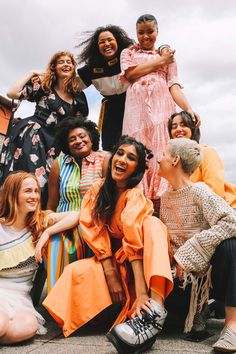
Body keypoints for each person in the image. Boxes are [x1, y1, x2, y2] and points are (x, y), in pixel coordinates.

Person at [40, 136, 173, 353]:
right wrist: (110, 272)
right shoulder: (97, 189)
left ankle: (153, 311)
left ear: (137, 169)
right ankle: (113, 316)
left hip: (138, 266)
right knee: (76, 271)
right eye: (120, 153)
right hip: (110, 261)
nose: (122, 159)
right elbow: (92, 229)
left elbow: (134, 243)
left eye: (130, 158)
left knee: (153, 223)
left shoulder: (134, 196)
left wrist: (140, 292)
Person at [158, 138, 236, 352]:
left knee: (231, 245)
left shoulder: (200, 191)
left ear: (175, 160)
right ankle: (200, 309)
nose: (159, 159)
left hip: (209, 276)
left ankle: (232, 327)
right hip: (182, 281)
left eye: (163, 154)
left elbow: (233, 221)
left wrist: (191, 252)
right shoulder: (165, 199)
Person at [120, 14, 199, 211]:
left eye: (150, 32)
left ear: (157, 32)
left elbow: (174, 85)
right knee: (137, 153)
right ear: (136, 33)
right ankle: (137, 206)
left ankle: (162, 207)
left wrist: (188, 108)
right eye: (141, 32)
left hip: (161, 113)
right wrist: (160, 61)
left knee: (160, 155)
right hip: (136, 117)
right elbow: (130, 74)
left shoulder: (168, 56)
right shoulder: (128, 52)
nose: (145, 36)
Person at [0, 51, 88, 208]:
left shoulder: (79, 96)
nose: (66, 64)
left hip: (57, 145)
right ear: (54, 67)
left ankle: (38, 223)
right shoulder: (45, 86)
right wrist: (32, 72)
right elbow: (12, 92)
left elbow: (80, 124)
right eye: (61, 62)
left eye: (69, 62)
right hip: (33, 138)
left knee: (50, 186)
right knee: (27, 179)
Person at [0, 171, 80, 344]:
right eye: (28, 191)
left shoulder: (40, 222)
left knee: (28, 326)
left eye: (36, 191)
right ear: (13, 194)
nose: (34, 196)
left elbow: (75, 215)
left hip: (21, 298)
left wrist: (48, 233)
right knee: (1, 323)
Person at [76, 25, 170, 151]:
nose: (107, 44)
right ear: (97, 47)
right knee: (110, 149)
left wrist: (164, 47)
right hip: (112, 113)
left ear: (118, 41)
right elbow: (69, 84)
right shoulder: (91, 69)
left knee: (139, 146)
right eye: (102, 42)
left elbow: (149, 49)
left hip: (134, 107)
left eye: (110, 40)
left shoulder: (130, 57)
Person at [46, 116, 110, 291]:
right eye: (72, 139)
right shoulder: (59, 164)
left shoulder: (105, 159)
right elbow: (51, 204)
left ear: (91, 138)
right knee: (57, 244)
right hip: (63, 225)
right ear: (66, 144)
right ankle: (59, 302)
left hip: (93, 225)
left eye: (82, 136)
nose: (78, 141)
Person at [168, 110, 236, 208]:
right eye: (174, 127)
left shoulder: (206, 152)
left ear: (192, 129)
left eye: (183, 125)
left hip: (224, 210)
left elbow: (215, 192)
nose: (178, 129)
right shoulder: (173, 161)